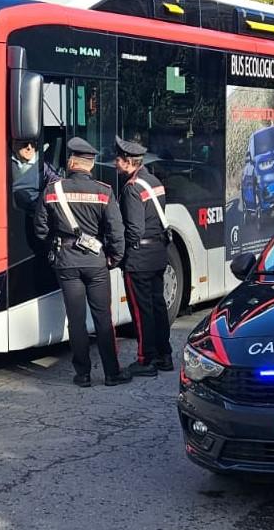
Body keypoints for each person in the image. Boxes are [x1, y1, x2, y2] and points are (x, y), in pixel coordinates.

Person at [34, 137, 131, 388]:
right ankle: (112, 373)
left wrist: (54, 247)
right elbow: (116, 231)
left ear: (71, 162)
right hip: (96, 262)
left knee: (75, 319)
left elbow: (40, 229)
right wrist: (114, 258)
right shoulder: (104, 191)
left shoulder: (53, 190)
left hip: (66, 262)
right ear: (91, 164)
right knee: (103, 318)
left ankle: (83, 374)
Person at [114, 137, 174, 377]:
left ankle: (146, 359)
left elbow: (134, 230)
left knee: (141, 311)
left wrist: (120, 253)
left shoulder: (132, 188)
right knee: (158, 306)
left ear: (128, 162)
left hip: (139, 258)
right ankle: (164, 355)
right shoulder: (154, 181)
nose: (115, 163)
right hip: (158, 254)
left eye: (118, 159)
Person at [11, 139, 59, 210]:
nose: (29, 148)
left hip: (37, 211)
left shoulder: (43, 166)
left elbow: (56, 180)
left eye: (33, 144)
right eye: (25, 144)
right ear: (14, 145)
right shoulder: (4, 163)